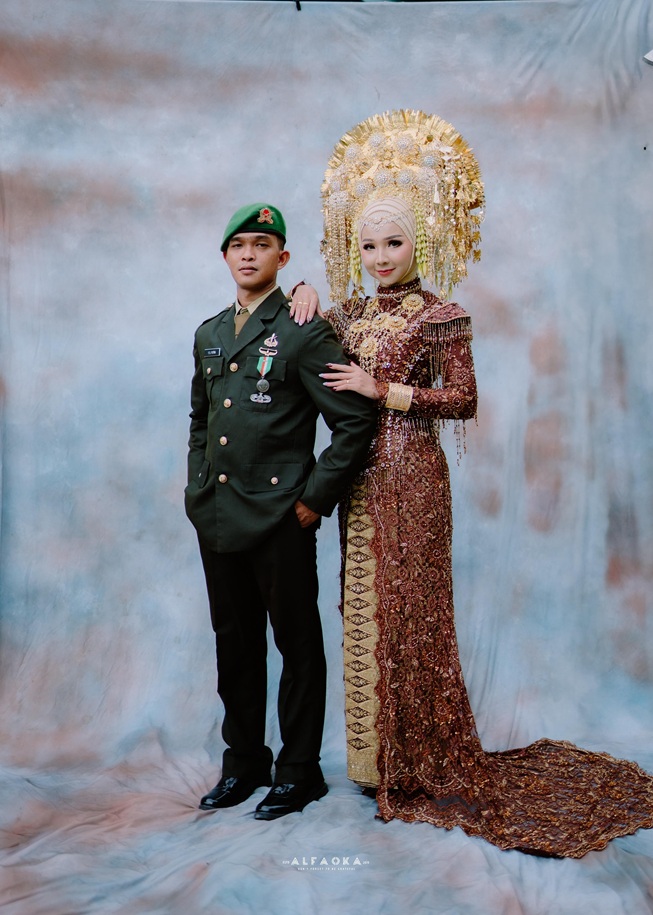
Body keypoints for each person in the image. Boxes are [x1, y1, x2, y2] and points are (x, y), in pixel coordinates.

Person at [290, 110, 653, 856]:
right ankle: (374, 761)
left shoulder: (442, 316)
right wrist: (300, 288)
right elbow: (306, 340)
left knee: (413, 612)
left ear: (419, 242)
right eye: (367, 245)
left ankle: (418, 761)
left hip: (413, 473)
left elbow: (464, 399)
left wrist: (384, 390)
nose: (379, 257)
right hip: (356, 477)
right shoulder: (348, 314)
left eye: (393, 243)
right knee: (365, 602)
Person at [185, 202, 377, 820]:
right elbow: (200, 422)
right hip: (219, 514)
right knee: (234, 644)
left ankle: (299, 771)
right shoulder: (210, 333)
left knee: (296, 644)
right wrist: (196, 490)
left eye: (262, 245)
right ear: (225, 256)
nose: (249, 254)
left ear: (283, 257)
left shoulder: (301, 329)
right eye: (238, 244)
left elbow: (354, 420)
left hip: (279, 517)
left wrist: (314, 500)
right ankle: (244, 763)